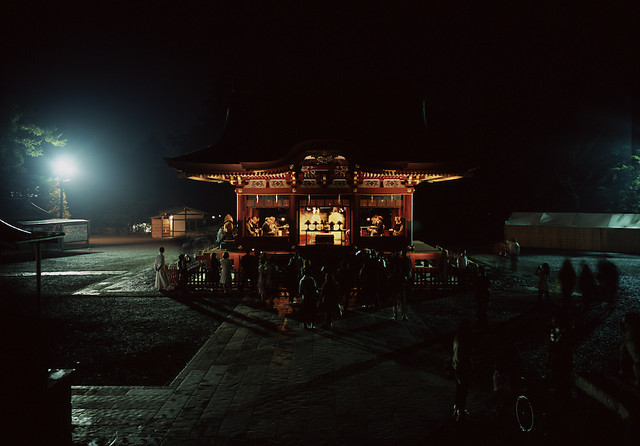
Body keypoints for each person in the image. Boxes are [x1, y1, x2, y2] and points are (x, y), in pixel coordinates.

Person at [452, 320, 473, 422]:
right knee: (463, 391)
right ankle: (461, 412)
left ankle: (457, 409)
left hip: (457, 366)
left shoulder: (457, 338)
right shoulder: (464, 341)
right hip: (463, 368)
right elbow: (465, 356)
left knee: (459, 390)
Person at [619, 312, 640, 387]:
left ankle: (637, 383)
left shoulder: (630, 336)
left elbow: (623, 352)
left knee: (637, 364)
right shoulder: (631, 335)